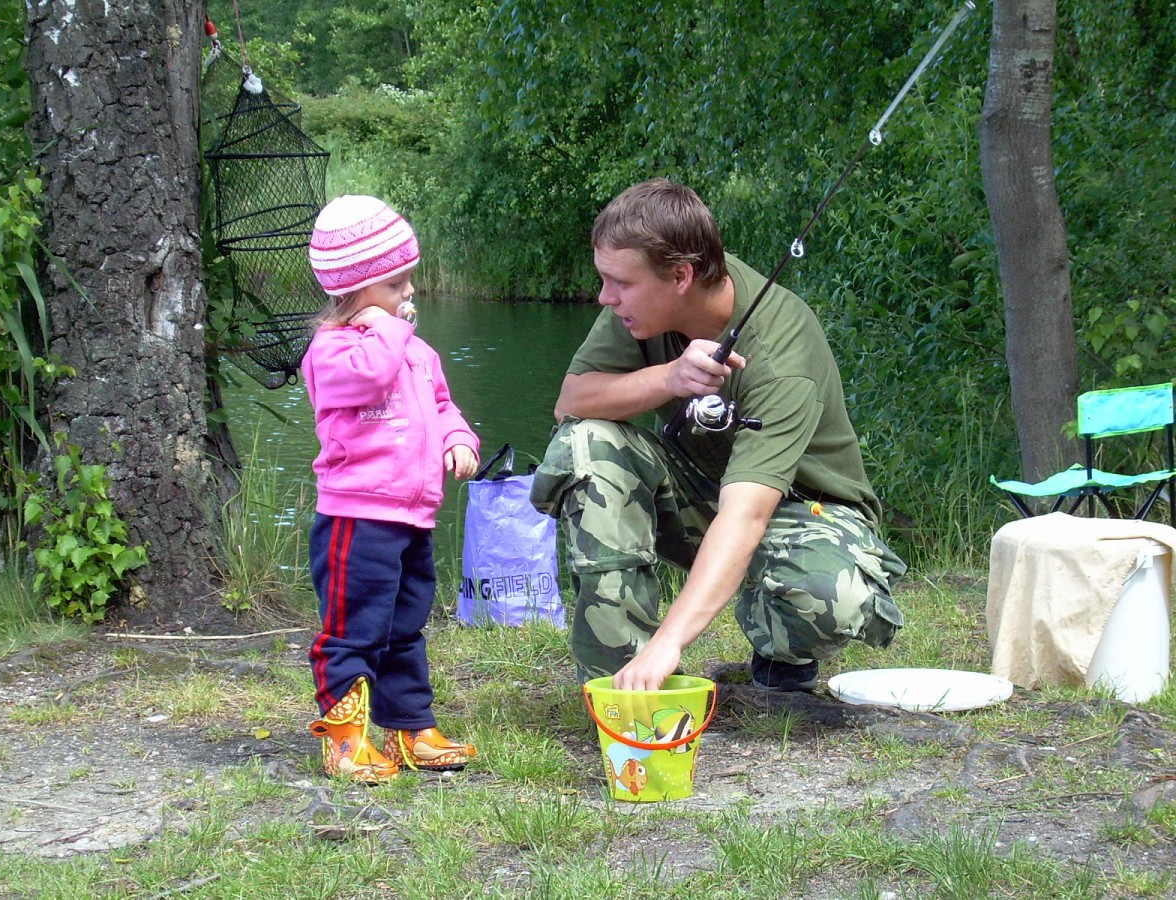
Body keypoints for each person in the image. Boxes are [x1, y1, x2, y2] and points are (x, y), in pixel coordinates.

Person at [530, 178, 906, 693]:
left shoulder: (780, 356)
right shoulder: (641, 307)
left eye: (619, 282)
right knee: (587, 443)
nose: (605, 297)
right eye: (604, 279)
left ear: (682, 275)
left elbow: (747, 512)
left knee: (828, 598)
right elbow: (571, 402)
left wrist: (672, 640)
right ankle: (620, 681)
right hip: (702, 496)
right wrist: (668, 378)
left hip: (806, 511)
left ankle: (782, 653)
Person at [302, 195, 480, 783]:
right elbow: (374, 374)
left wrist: (458, 439)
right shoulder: (333, 352)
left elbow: (441, 402)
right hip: (357, 516)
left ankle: (410, 726)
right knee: (355, 624)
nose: (409, 295)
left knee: (406, 622)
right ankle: (345, 737)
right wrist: (383, 327)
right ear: (358, 288)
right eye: (397, 284)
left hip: (412, 515)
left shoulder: (414, 350)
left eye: (408, 282)